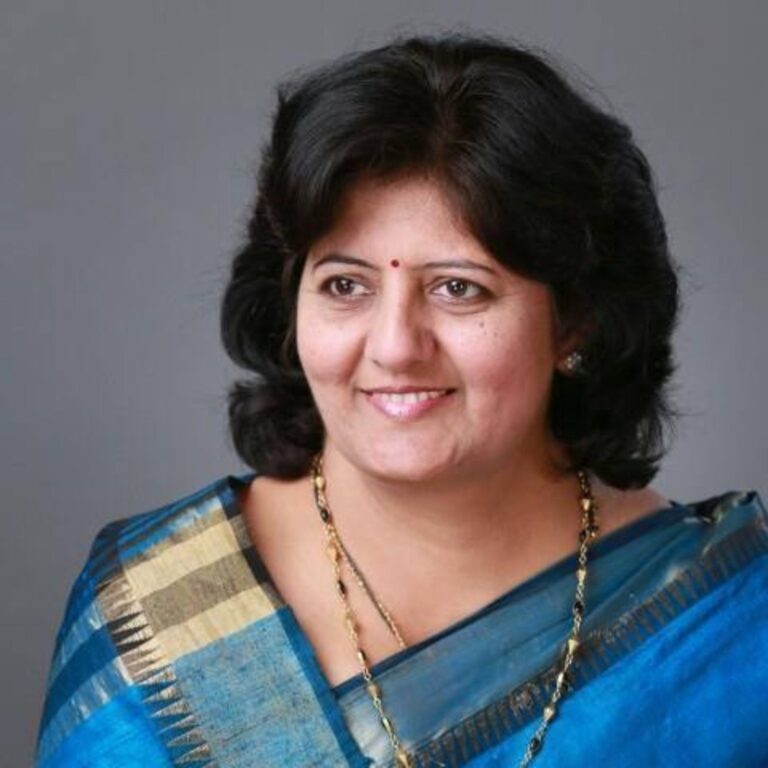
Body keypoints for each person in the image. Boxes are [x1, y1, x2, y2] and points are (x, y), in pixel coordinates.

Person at [35, 33, 768, 768]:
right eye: (345, 285)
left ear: (577, 322)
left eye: (458, 288)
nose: (394, 346)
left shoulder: (730, 630)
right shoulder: (158, 616)